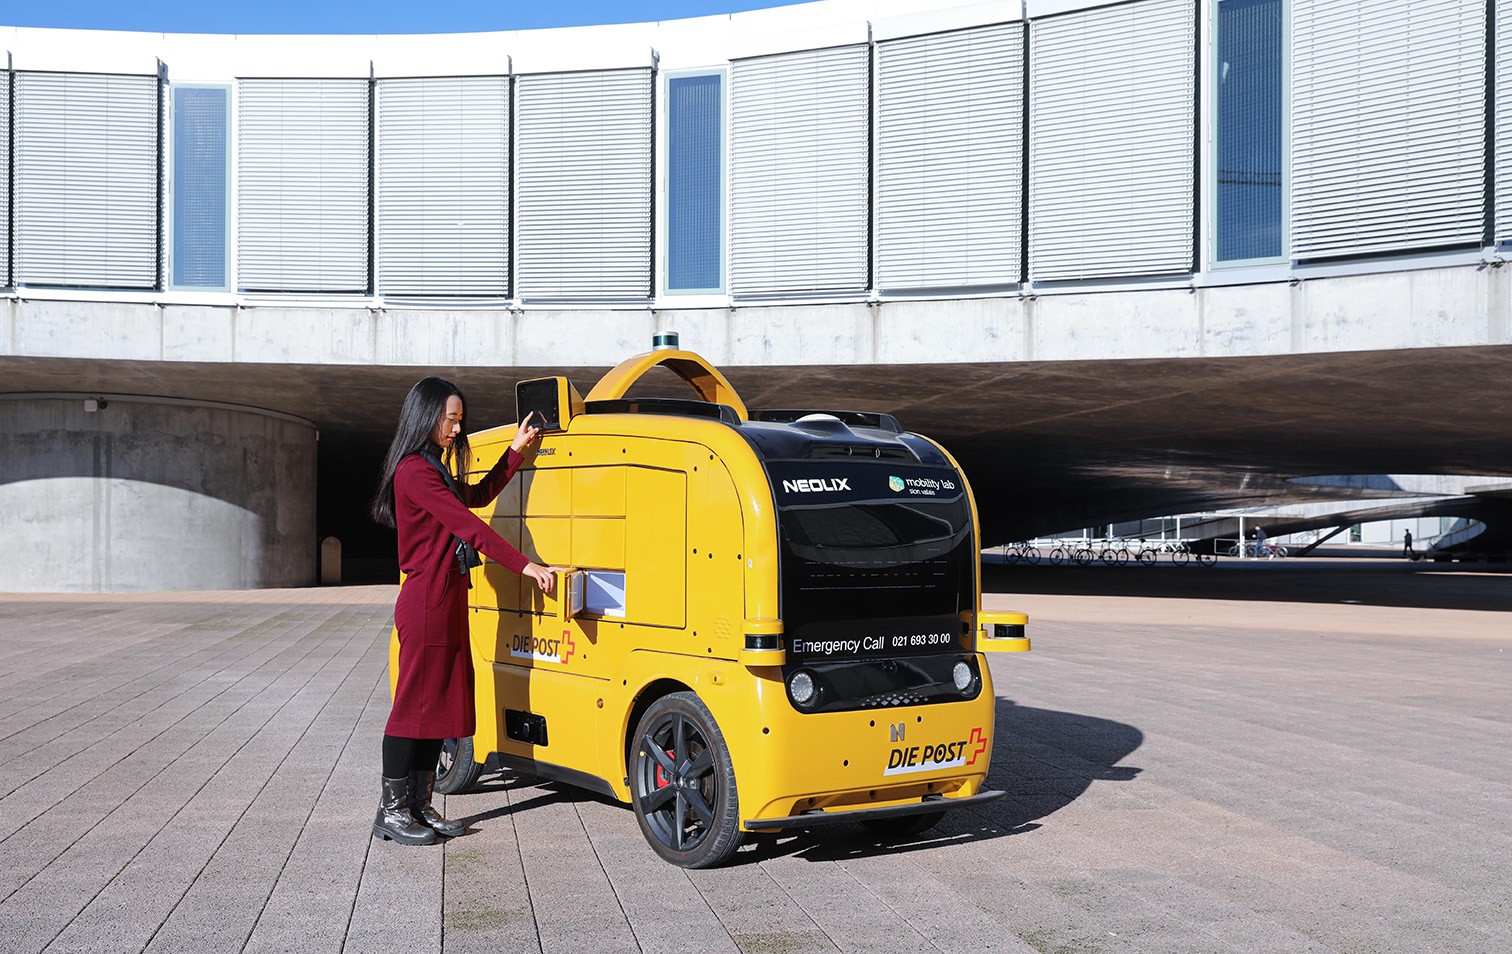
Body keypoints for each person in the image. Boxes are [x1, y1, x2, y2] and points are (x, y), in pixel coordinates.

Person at [370, 377, 557, 846]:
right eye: (449, 418)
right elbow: (468, 525)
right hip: (426, 601)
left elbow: (476, 497)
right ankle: (391, 812)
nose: (456, 428)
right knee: (412, 708)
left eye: (459, 419)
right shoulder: (414, 471)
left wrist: (515, 451)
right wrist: (525, 565)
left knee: (439, 708)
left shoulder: (434, 468)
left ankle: (418, 804)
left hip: (448, 598)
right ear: (426, 416)